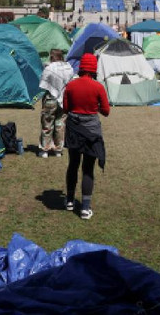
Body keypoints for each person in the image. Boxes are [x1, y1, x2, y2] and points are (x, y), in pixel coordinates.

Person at [63, 53, 110, 220]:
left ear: (81, 67)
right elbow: (106, 111)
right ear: (94, 69)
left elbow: (66, 108)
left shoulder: (70, 86)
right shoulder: (98, 87)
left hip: (74, 129)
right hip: (91, 132)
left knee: (73, 164)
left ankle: (69, 201)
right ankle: (85, 207)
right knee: (88, 169)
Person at [38, 49, 75, 157]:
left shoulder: (49, 68)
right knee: (60, 125)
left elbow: (43, 82)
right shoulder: (69, 68)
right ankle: (58, 150)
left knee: (47, 124)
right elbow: (71, 82)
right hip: (63, 100)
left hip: (50, 99)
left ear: (52, 57)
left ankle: (45, 150)